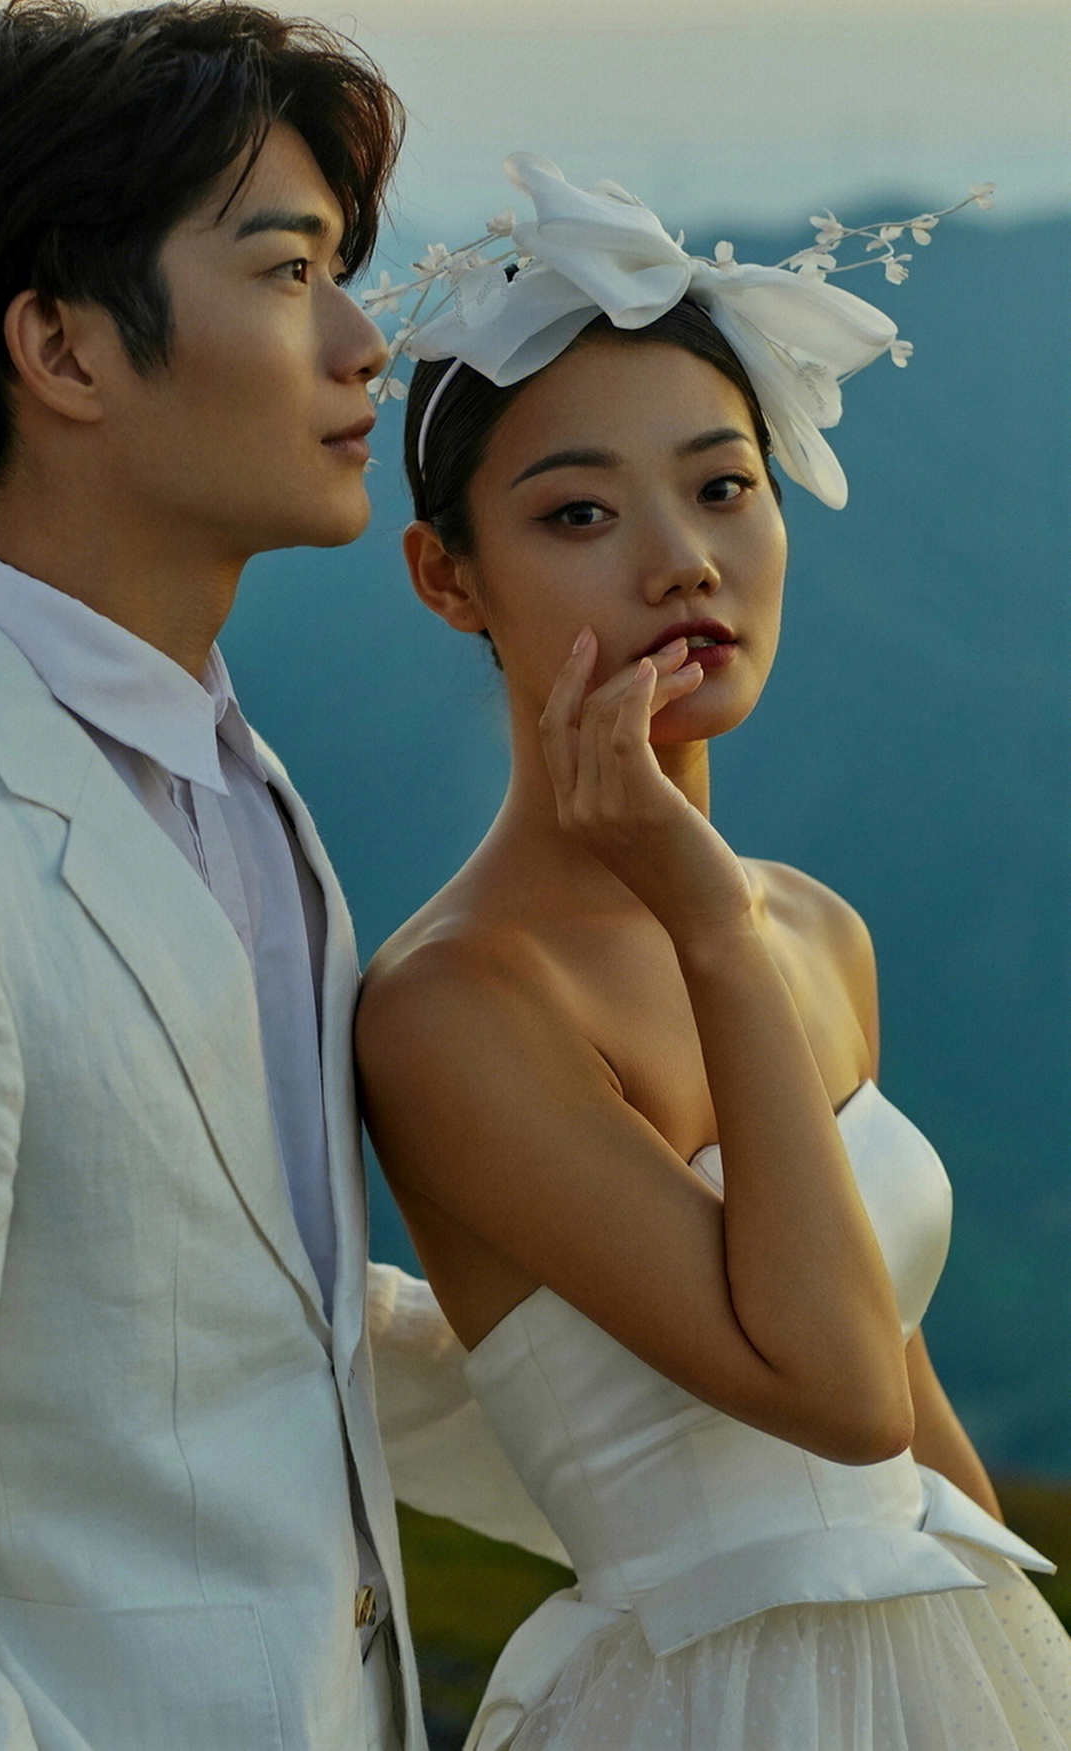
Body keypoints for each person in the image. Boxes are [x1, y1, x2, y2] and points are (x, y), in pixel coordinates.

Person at [0, 12, 565, 1750]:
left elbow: (241, 1308)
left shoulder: (238, 781)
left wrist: (735, 1496)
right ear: (61, 347)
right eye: (288, 273)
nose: (363, 342)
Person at [355, 154, 1071, 1749]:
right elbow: (835, 1393)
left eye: (723, 486)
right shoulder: (456, 1005)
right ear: (447, 577)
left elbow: (911, 1416)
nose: (681, 559)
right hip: (709, 1700)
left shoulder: (813, 928)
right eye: (580, 513)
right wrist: (704, 920)